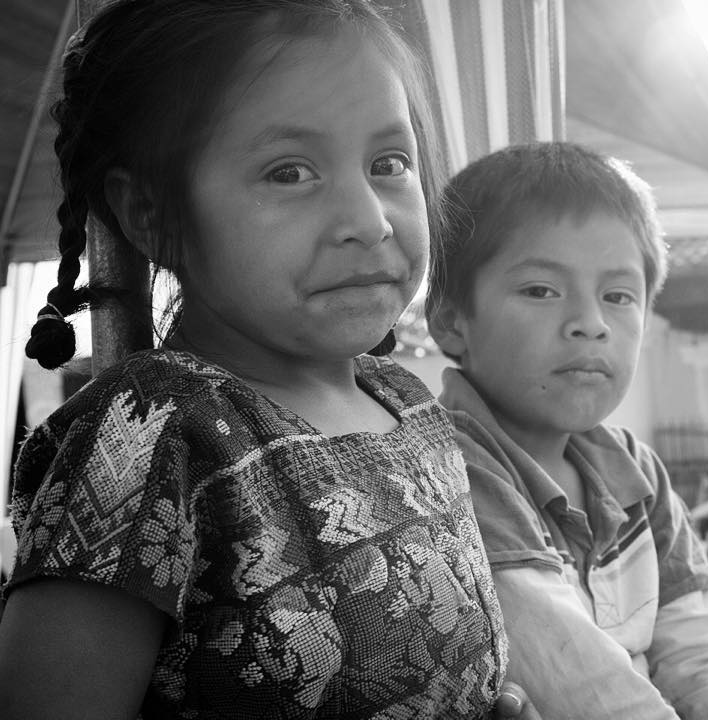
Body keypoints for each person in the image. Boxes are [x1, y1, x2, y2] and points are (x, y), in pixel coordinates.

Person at [0, 2, 538, 717]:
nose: (370, 221)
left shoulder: (411, 403)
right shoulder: (146, 437)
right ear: (152, 213)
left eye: (389, 163)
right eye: (289, 172)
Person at [425, 142, 708, 719]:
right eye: (541, 290)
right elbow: (580, 686)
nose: (590, 324)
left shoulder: (637, 474)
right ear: (451, 320)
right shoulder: (453, 466)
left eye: (618, 296)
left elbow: (700, 652)